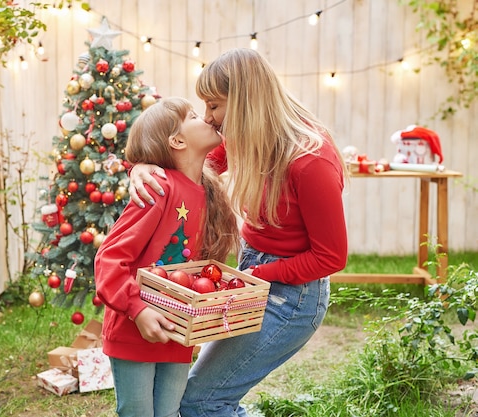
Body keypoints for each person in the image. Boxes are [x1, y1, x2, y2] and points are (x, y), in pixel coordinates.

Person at [128, 48, 348, 417]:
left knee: (201, 402)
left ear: (245, 101)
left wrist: (256, 276)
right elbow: (183, 163)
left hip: (289, 298)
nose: (209, 119)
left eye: (214, 106)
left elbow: (330, 258)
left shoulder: (310, 161)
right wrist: (141, 166)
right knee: (200, 397)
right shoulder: (249, 136)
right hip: (256, 276)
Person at [94, 97, 240, 417]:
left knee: (169, 412)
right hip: (135, 328)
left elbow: (243, 131)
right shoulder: (157, 187)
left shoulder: (203, 188)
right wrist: (137, 309)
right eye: (193, 116)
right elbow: (108, 259)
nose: (207, 118)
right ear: (177, 140)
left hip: (178, 329)